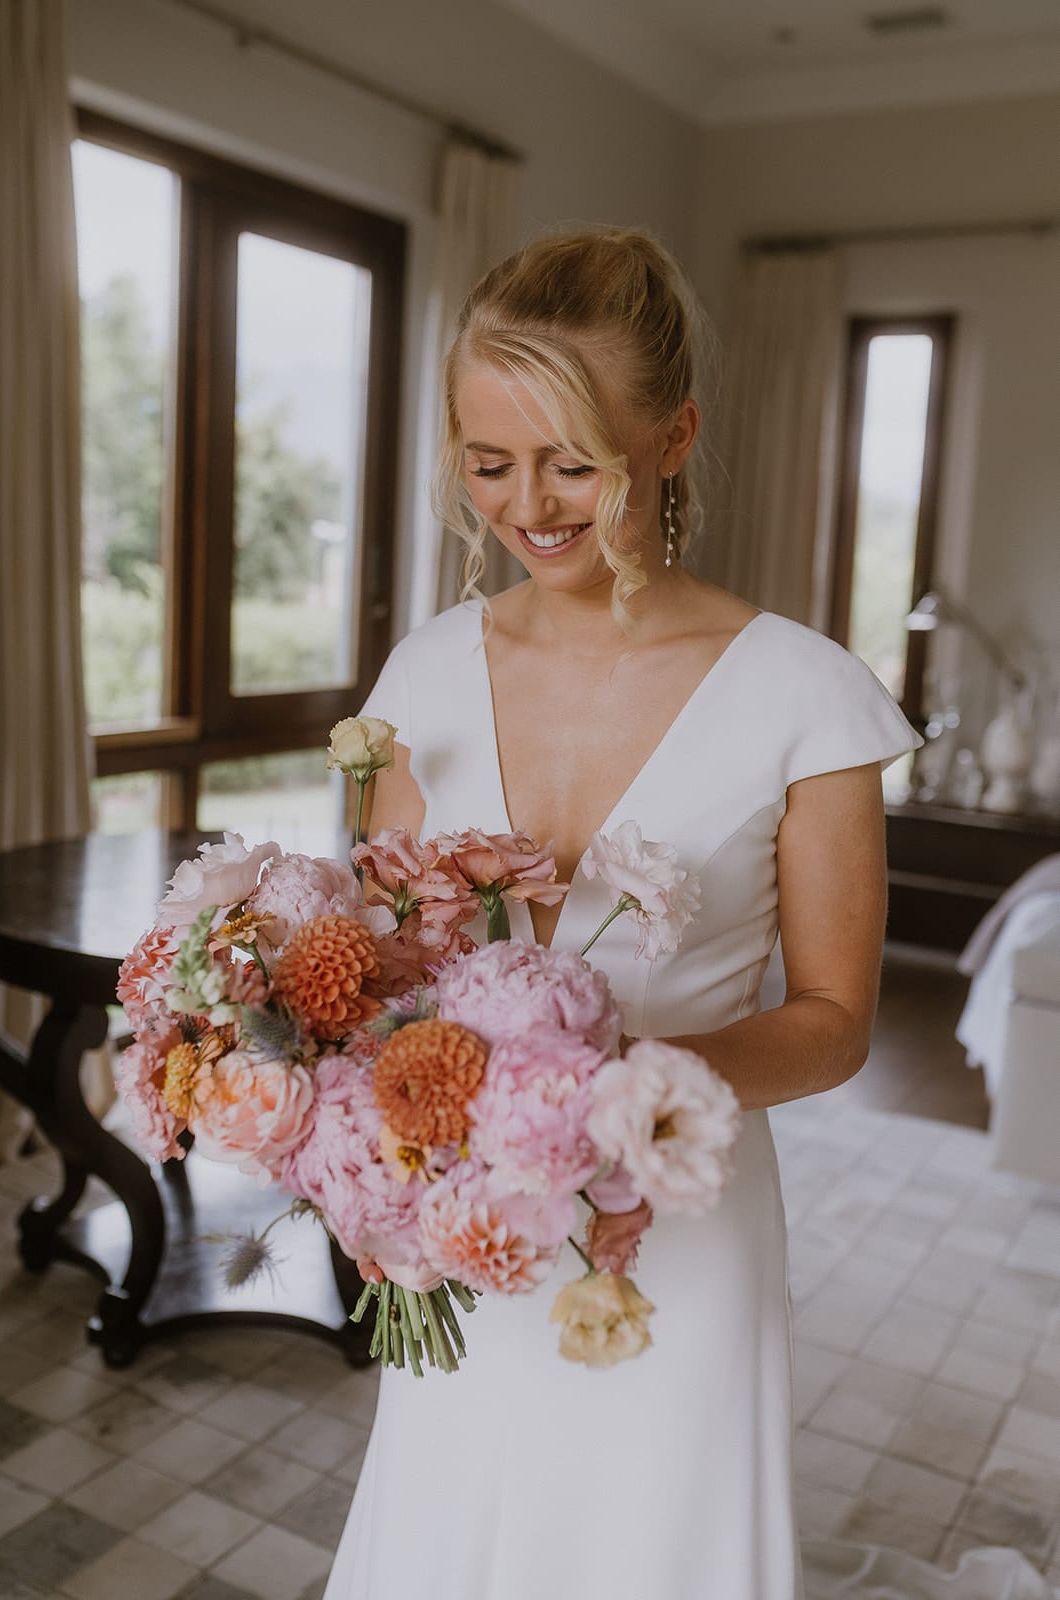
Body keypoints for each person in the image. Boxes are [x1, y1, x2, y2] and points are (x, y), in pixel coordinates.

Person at [322, 227, 920, 1600]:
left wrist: (619, 1092)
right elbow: (386, 970)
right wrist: (356, 1126)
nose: (528, 506)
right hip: (463, 1223)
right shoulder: (422, 670)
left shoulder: (806, 696)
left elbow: (835, 1022)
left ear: (672, 438)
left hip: (677, 1234)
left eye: (572, 462)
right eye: (489, 464)